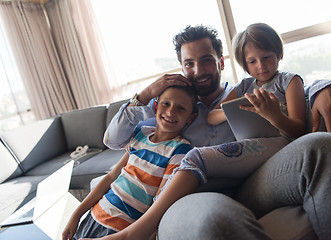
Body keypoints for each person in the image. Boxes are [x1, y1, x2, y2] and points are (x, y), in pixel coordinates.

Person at [102, 25, 331, 240]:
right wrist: (145, 94)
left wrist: (323, 87)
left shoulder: (244, 90)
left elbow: (286, 89)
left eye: (206, 61)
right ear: (182, 68)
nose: (198, 70)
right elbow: (113, 140)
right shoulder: (173, 108)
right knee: (216, 220)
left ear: (221, 62)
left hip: (255, 183)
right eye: (189, 63)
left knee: (321, 145)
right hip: (190, 196)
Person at [62, 85, 198, 240]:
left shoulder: (179, 150)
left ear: (190, 118)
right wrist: (76, 215)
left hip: (122, 232)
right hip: (94, 215)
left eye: (181, 108)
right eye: (166, 104)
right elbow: (111, 177)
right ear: (155, 106)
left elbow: (159, 203)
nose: (171, 111)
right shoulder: (141, 135)